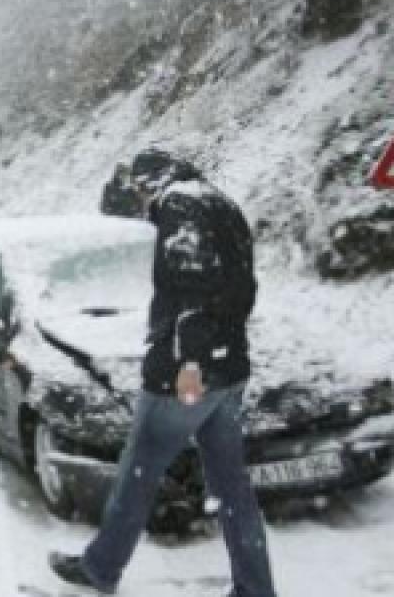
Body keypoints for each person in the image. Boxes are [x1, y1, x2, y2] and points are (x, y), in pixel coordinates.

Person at [49, 147, 275, 597]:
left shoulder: (179, 206)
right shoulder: (220, 203)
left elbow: (193, 289)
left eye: (139, 189)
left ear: (151, 182)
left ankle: (101, 568)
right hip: (230, 367)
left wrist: (191, 362)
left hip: (187, 375)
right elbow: (243, 286)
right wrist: (219, 350)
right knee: (233, 488)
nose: (140, 199)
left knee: (138, 474)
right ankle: (255, 587)